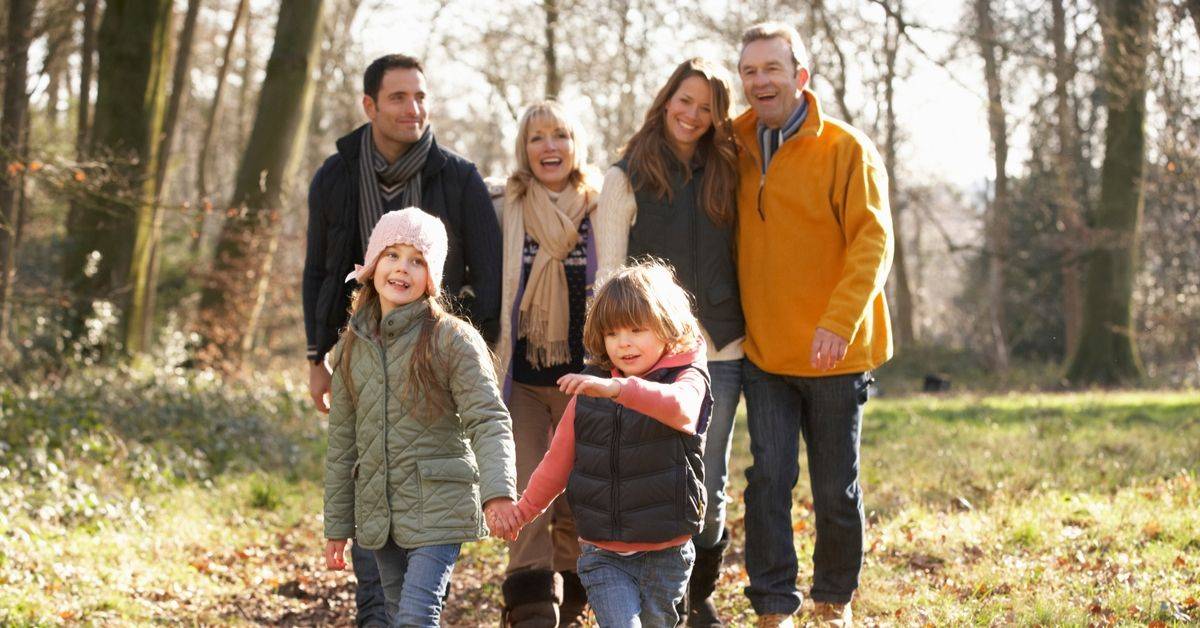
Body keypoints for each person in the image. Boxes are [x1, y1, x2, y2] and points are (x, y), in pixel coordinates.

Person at [303, 53, 502, 626]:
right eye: (398, 97)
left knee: (416, 603)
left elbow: (486, 277)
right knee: (371, 472)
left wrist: (459, 352)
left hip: (435, 356)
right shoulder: (337, 177)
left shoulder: (458, 178)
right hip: (359, 345)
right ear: (369, 105)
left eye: (420, 96)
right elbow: (319, 272)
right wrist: (320, 357)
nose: (413, 108)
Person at [732, 22, 894, 628]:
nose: (760, 81)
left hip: (836, 352)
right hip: (766, 352)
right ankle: (774, 604)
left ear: (800, 77)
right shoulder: (736, 143)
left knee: (834, 489)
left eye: (771, 69)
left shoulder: (845, 148)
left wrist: (839, 321)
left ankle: (833, 599)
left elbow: (873, 243)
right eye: (749, 71)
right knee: (768, 478)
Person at [593, 57, 742, 627]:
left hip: (724, 349)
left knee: (711, 477)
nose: (693, 115)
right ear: (666, 100)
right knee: (656, 478)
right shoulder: (625, 177)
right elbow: (610, 275)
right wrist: (611, 356)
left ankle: (696, 595)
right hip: (654, 358)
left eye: (706, 107)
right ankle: (653, 596)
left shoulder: (728, 171)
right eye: (685, 101)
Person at [322, 207, 518, 628]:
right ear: (373, 264)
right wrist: (337, 524)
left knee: (415, 616)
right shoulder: (351, 347)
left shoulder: (451, 339)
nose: (402, 268)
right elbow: (342, 443)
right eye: (392, 255)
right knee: (397, 615)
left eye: (417, 260)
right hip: (380, 510)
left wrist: (498, 490)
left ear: (432, 276)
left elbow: (488, 419)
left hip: (440, 505)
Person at [493, 260, 713, 628]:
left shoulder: (688, 377)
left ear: (667, 327)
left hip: (666, 552)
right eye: (612, 334)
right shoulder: (590, 388)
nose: (623, 342)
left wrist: (619, 390)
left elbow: (682, 409)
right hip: (603, 553)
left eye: (636, 329)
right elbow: (557, 462)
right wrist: (524, 509)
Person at [492, 101, 599, 627]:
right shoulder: (505, 205)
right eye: (537, 138)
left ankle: (574, 595)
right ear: (523, 149)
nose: (549, 146)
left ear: (577, 145)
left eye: (560, 135)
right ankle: (533, 606)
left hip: (588, 380)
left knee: (581, 495)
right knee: (528, 490)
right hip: (524, 383)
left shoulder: (604, 206)